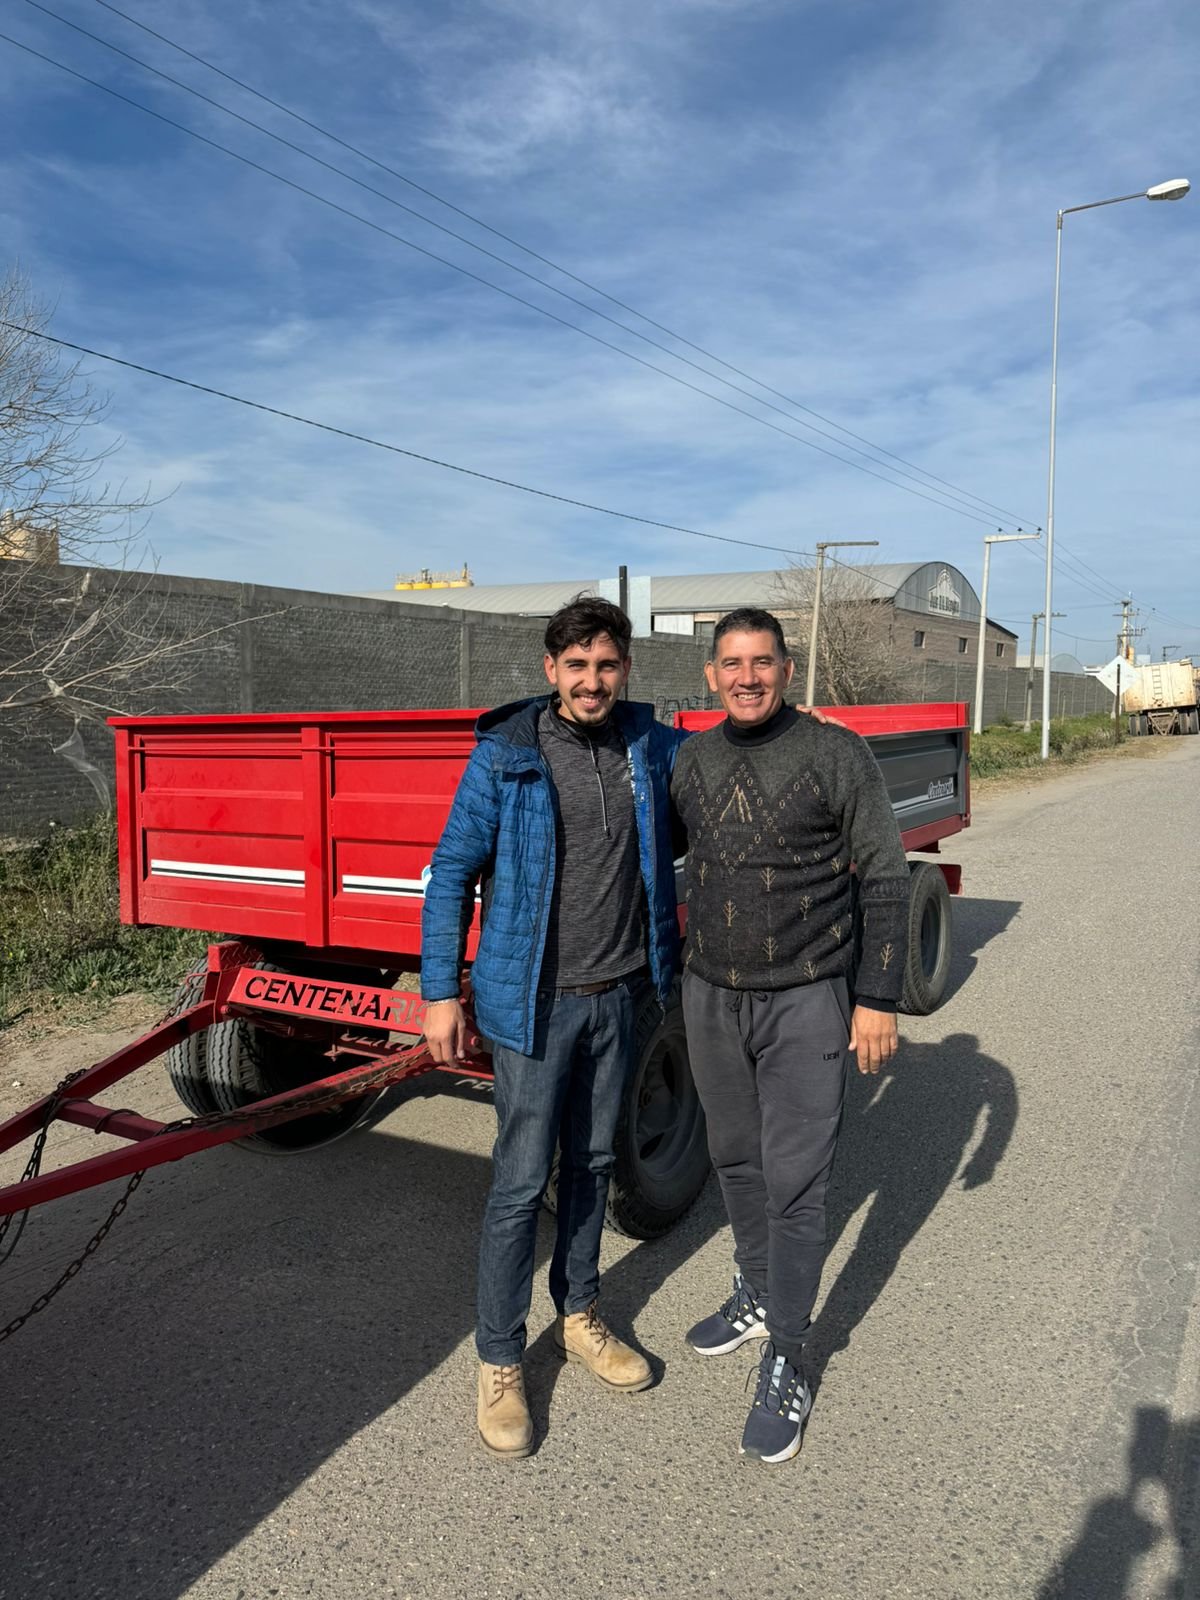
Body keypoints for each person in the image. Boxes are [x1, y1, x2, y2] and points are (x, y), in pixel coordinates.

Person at [421, 596, 687, 1460]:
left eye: (606, 666)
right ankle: (499, 1358)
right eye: (577, 666)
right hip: (534, 1005)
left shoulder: (651, 747)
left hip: (619, 997)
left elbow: (728, 768)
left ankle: (579, 1315)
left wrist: (803, 728)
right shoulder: (507, 755)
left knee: (595, 1164)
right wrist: (440, 992)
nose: (592, 681)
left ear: (625, 670)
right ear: (551, 670)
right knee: (519, 1180)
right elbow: (451, 870)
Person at [671, 606, 910, 1465]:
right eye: (732, 663)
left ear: (787, 669)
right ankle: (757, 1289)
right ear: (711, 675)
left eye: (763, 661)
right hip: (711, 995)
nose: (748, 677)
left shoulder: (836, 754)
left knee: (796, 1182)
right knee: (735, 1161)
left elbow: (886, 876)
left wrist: (876, 998)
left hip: (807, 998)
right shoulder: (690, 761)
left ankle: (789, 1351)